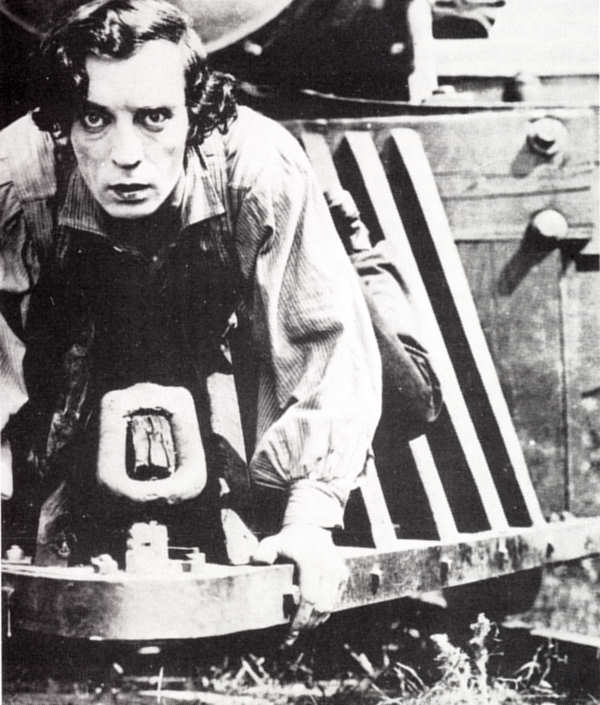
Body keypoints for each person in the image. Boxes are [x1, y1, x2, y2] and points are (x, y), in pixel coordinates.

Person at [0, 0, 382, 633]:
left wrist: (310, 521)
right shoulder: (16, 178)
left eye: (155, 117)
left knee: (410, 393)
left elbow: (325, 347)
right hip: (90, 328)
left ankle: (363, 258)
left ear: (195, 116)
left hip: (244, 314)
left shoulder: (261, 167)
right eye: (94, 118)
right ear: (63, 123)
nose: (126, 154)